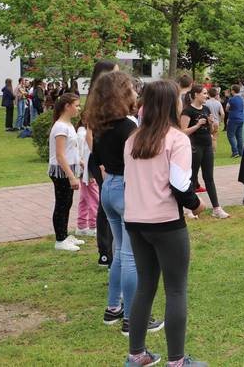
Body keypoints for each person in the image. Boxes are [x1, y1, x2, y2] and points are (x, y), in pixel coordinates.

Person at [123, 80, 208, 367]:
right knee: (175, 289)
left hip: (136, 221)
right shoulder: (176, 139)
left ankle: (136, 355)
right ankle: (177, 361)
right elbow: (179, 184)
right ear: (172, 104)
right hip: (166, 223)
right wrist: (196, 205)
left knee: (145, 286)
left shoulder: (132, 139)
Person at [87, 71, 164, 334]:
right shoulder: (128, 127)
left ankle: (114, 307)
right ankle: (133, 318)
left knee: (120, 251)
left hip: (109, 188)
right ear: (121, 94)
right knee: (131, 256)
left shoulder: (100, 126)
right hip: (125, 188)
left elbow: (96, 160)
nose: (135, 91)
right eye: (131, 88)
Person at [181, 85, 229, 219]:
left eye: (207, 93)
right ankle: (190, 209)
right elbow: (182, 131)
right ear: (196, 94)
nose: (206, 96)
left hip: (207, 145)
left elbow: (211, 130)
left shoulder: (206, 109)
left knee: (209, 177)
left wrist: (212, 124)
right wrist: (197, 125)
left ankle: (216, 208)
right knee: (192, 177)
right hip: (194, 147)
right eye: (204, 93)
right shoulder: (187, 111)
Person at [88, 60, 118, 268]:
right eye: (115, 73)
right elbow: (90, 135)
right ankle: (105, 251)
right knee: (105, 204)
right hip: (102, 160)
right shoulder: (96, 100)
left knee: (110, 203)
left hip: (108, 157)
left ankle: (112, 248)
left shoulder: (111, 99)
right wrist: (101, 162)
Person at [48, 93, 83, 252]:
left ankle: (64, 235)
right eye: (76, 105)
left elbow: (70, 149)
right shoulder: (61, 127)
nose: (78, 108)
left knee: (66, 203)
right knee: (62, 204)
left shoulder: (67, 124)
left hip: (67, 169)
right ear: (67, 106)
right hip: (61, 171)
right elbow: (60, 155)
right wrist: (71, 177)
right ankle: (60, 239)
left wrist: (80, 161)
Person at [75, 111, 99, 238]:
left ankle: (82, 225)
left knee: (85, 198)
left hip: (84, 170)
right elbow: (84, 153)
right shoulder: (84, 134)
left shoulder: (81, 132)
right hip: (87, 171)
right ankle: (93, 225)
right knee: (94, 198)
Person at [226, 84, 244, 159]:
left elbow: (227, 108)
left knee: (230, 135)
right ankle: (241, 152)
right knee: (239, 136)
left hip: (233, 118)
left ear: (233, 91)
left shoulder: (231, 99)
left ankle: (235, 152)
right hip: (241, 118)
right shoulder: (241, 99)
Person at [204, 87, 224, 154]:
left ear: (208, 94)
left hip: (208, 122)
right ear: (215, 94)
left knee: (208, 137)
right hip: (216, 122)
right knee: (214, 138)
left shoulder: (205, 103)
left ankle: (208, 151)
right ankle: (213, 152)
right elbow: (222, 113)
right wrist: (221, 121)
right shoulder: (218, 103)